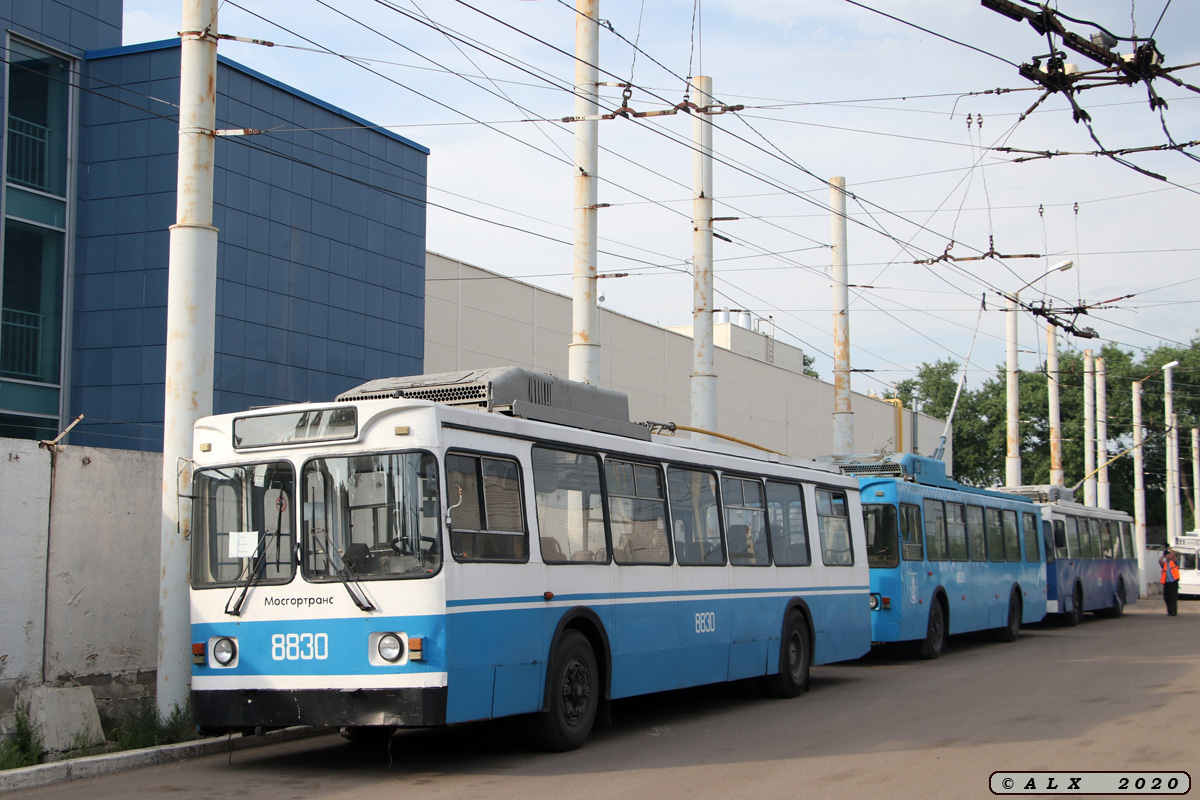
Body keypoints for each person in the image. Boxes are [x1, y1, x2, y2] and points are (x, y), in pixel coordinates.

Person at [1160, 549, 1180, 616]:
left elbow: (1174, 557)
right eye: (1167, 555)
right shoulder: (1164, 564)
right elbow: (1159, 561)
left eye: (1169, 555)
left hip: (1173, 582)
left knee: (1173, 597)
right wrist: (1163, 554)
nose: (1168, 556)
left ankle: (1173, 611)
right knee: (1166, 597)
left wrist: (1170, 549)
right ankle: (1169, 611)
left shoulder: (1174, 562)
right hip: (1166, 583)